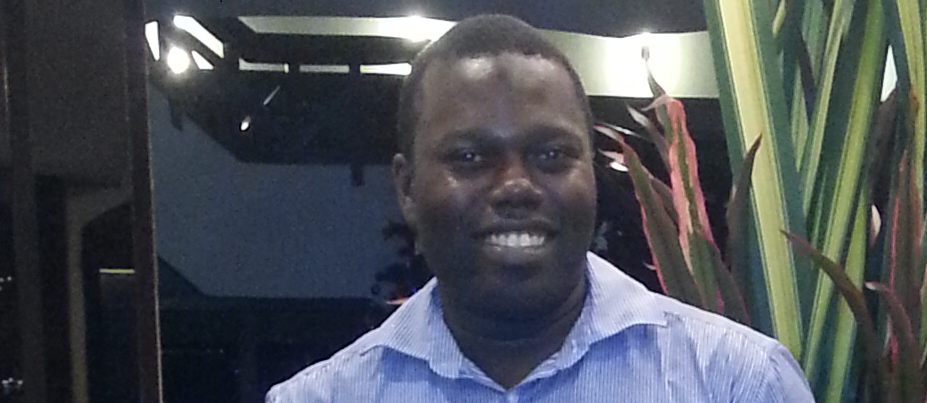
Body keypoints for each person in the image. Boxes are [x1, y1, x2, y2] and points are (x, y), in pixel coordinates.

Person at [267, 14, 815, 402]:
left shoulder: (737, 383)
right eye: (470, 157)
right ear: (407, 188)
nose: (516, 186)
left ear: (591, 174)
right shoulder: (325, 397)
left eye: (551, 155)